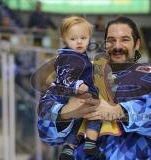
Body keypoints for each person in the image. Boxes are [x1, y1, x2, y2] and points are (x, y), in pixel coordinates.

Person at [37, 16, 151, 160]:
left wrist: (120, 111)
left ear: (137, 44)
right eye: (111, 40)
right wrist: (64, 113)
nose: (117, 46)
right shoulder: (79, 73)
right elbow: (45, 132)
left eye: (125, 39)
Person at [54, 16, 103, 160]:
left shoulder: (80, 55)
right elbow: (64, 76)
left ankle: (70, 148)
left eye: (83, 37)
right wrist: (77, 85)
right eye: (73, 39)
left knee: (80, 122)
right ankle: (89, 144)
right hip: (77, 95)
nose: (79, 42)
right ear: (64, 39)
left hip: (87, 94)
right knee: (93, 117)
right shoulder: (66, 57)